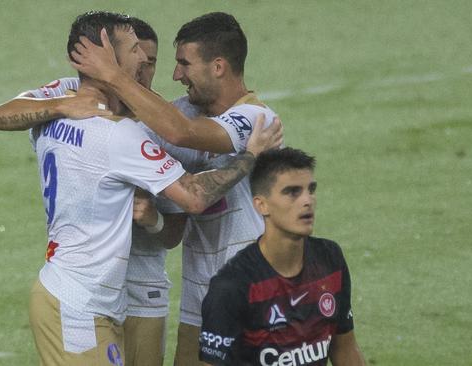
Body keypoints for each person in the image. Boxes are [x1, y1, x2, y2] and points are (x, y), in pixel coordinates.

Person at [17, 11, 281, 365]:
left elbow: (181, 134)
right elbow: (152, 133)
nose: (174, 75)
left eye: (183, 64)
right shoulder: (151, 119)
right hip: (196, 298)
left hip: (251, 289)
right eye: (138, 54)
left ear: (218, 66)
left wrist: (109, 76)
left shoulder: (256, 119)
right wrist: (76, 98)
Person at [0, 16, 172, 366]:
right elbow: (1, 115)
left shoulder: (164, 125)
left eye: (151, 64)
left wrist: (154, 221)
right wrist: (60, 106)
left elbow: (176, 228)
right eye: (136, 57)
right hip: (90, 287)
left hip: (144, 290)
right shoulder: (69, 94)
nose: (142, 72)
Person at [198, 147, 367, 366]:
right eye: (292, 192)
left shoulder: (329, 259)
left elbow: (345, 348)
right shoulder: (232, 287)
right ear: (261, 205)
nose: (307, 201)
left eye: (311, 190)